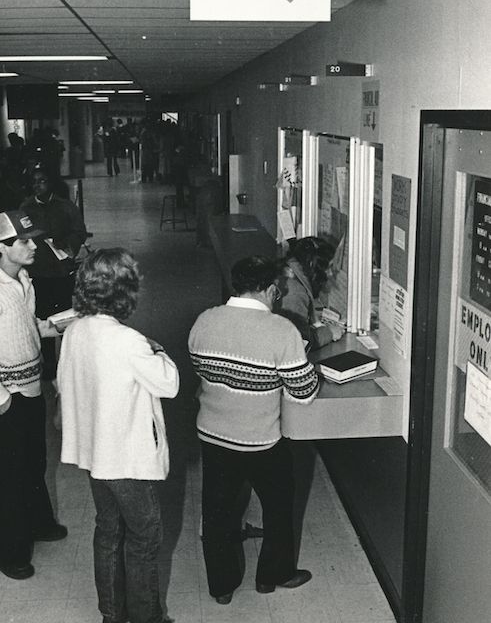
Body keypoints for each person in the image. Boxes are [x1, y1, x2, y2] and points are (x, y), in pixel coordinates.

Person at [57, 248, 179, 623]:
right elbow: (169, 384)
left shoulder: (75, 331)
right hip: (127, 459)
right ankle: (147, 618)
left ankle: (112, 614)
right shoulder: (128, 341)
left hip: (95, 454)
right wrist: (160, 351)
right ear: (124, 292)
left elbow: (63, 383)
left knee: (108, 532)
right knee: (145, 538)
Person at [188, 255, 319, 605]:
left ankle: (221, 588)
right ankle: (272, 577)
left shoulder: (204, 320)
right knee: (278, 509)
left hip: (213, 435)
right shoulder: (281, 330)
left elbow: (203, 369)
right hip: (261, 440)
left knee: (216, 514)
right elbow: (304, 393)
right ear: (272, 290)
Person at [0, 210, 67, 581]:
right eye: (23, 241)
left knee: (34, 460)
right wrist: (2, 398)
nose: (32, 246)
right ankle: (11, 551)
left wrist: (55, 326)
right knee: (9, 473)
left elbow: (26, 327)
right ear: (1, 248)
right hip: (7, 395)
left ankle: (39, 522)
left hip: (30, 385)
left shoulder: (24, 279)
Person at [20, 168, 87, 380]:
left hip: (62, 272)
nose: (38, 185)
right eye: (34, 182)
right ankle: (49, 363)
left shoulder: (66, 207)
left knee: (66, 318)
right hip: (39, 273)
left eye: (42, 180)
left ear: (51, 183)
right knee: (43, 318)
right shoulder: (26, 208)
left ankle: (69, 360)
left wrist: (68, 245)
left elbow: (79, 231)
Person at [276, 236, 345, 349]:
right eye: (329, 267)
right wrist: (329, 332)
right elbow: (300, 342)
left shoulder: (289, 271)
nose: (331, 274)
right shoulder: (294, 291)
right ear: (314, 266)